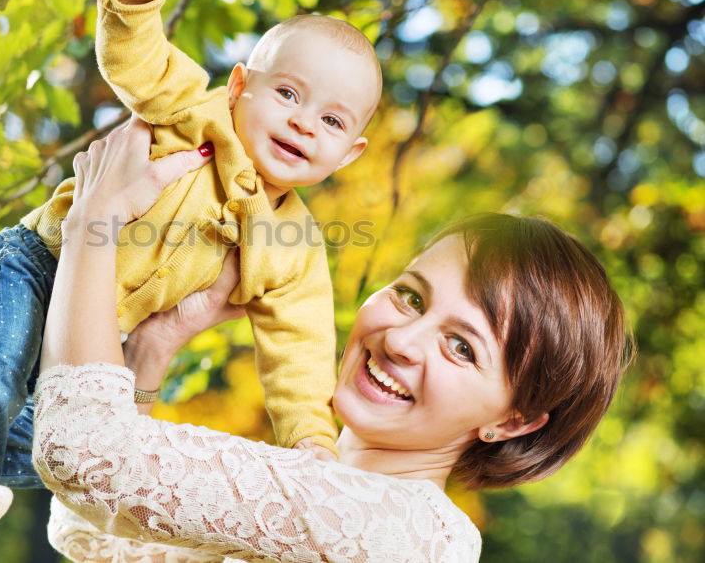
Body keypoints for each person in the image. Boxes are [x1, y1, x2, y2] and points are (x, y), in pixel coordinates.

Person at [0, 0, 382, 527]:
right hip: (33, 267)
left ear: (349, 153)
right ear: (240, 86)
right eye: (288, 93)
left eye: (331, 120)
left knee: (66, 441)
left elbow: (302, 349)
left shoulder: (290, 248)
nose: (303, 123)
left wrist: (310, 444)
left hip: (94, 333)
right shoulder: (192, 114)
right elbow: (140, 62)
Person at [32, 121, 632, 561]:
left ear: (513, 423)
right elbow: (91, 534)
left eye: (463, 347)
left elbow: (85, 458)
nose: (401, 338)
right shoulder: (310, 504)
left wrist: (94, 222)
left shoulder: (413, 534)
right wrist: (156, 344)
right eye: (413, 297)